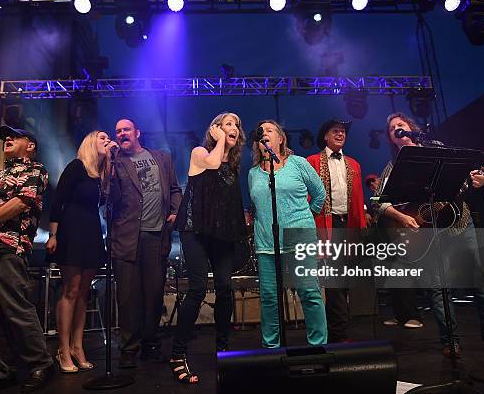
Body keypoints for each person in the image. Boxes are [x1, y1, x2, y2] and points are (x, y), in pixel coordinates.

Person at [372, 112, 484, 357]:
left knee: (482, 283)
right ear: (391, 138)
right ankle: (450, 342)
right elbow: (377, 202)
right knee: (440, 287)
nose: (397, 129)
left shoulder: (437, 148)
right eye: (392, 128)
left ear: (410, 127)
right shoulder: (393, 166)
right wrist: (403, 217)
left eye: (401, 124)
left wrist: (478, 181)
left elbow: (466, 177)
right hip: (431, 233)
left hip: (461, 222)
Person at [0, 125, 54, 391]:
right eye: (5, 137)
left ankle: (40, 363)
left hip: (9, 247)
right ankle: (2, 368)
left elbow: (20, 203)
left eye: (15, 136)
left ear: (31, 145)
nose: (8, 139)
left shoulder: (35, 171)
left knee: (15, 308)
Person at [169, 112, 247, 384]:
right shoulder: (201, 152)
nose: (234, 128)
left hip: (221, 235)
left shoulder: (234, 164)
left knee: (225, 287)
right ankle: (177, 354)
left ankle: (223, 349)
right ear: (214, 129)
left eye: (236, 125)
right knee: (198, 288)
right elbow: (213, 163)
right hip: (195, 231)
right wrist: (219, 141)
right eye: (228, 124)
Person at [248, 119, 327, 348]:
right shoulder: (253, 174)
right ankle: (271, 348)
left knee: (309, 293)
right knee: (270, 298)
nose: (265, 133)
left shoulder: (298, 164)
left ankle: (318, 346)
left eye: (270, 130)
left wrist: (303, 220)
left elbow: (320, 195)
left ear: (281, 139)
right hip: (266, 242)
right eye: (261, 131)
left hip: (299, 239)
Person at [110, 118, 182, 369]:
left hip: (156, 236)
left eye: (126, 129)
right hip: (127, 238)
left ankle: (151, 345)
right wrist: (108, 160)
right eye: (118, 131)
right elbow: (105, 193)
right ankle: (129, 349)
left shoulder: (161, 158)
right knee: (128, 297)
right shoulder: (115, 162)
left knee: (153, 295)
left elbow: (174, 189)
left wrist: (175, 211)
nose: (121, 133)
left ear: (137, 132)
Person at [45, 131, 117, 372]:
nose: (107, 141)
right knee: (71, 289)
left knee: (85, 292)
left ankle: (78, 346)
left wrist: (111, 162)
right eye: (103, 138)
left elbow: (108, 201)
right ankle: (62, 349)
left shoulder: (101, 175)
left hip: (92, 230)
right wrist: (53, 234)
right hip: (72, 228)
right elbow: (58, 200)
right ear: (90, 142)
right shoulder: (76, 167)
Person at [306, 119, 367, 343]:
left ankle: (339, 331)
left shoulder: (354, 164)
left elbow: (358, 198)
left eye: (343, 132)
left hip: (347, 224)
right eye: (335, 131)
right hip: (326, 225)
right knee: (334, 282)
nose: (340, 134)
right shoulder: (312, 161)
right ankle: (339, 335)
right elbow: (308, 197)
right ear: (325, 136)